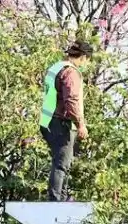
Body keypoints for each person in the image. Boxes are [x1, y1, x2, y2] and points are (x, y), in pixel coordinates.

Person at [38, 40, 94, 201]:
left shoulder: (56, 68)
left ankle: (60, 199)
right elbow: (71, 100)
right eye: (87, 60)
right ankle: (56, 202)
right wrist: (80, 124)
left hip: (47, 121)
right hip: (61, 122)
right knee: (62, 164)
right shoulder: (71, 73)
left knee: (60, 161)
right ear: (83, 57)